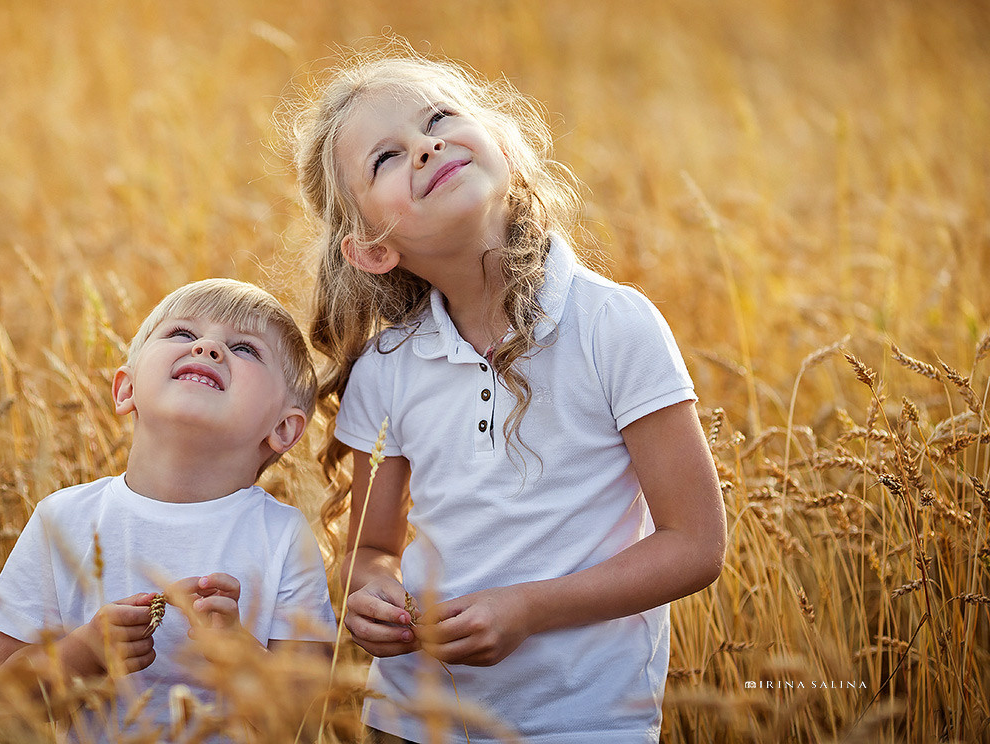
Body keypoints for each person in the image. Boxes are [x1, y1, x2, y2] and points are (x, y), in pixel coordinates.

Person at [287, 44, 727, 744]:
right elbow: (370, 549)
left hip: (583, 722)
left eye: (439, 119)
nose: (426, 147)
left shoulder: (613, 325)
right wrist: (367, 592)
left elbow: (695, 544)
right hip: (413, 719)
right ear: (372, 247)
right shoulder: (387, 367)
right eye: (386, 158)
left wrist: (528, 608)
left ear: (505, 147)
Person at [0, 278, 336, 741]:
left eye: (245, 348)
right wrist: (85, 652)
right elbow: (5, 700)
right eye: (182, 333)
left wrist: (240, 656)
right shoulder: (61, 520)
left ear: (284, 428)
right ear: (126, 389)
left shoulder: (284, 536)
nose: (207, 348)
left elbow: (307, 722)